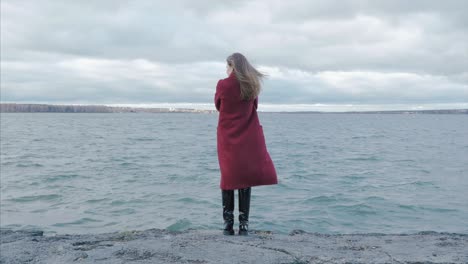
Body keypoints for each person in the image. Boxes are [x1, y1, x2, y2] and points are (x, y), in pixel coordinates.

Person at [214, 52, 278, 236]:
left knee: (228, 178)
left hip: (228, 137)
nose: (226, 70)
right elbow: (254, 106)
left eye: (228, 66)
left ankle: (228, 226)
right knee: (244, 179)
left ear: (232, 66)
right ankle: (244, 226)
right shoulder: (252, 84)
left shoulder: (223, 84)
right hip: (248, 136)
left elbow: (219, 105)